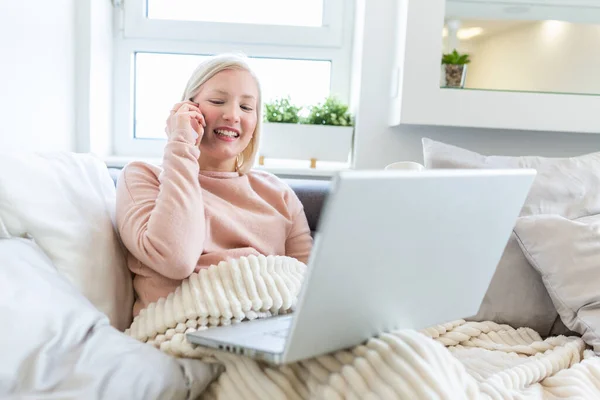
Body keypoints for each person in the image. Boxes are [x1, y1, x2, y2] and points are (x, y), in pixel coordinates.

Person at [115, 54, 313, 316]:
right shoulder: (143, 178)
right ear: (189, 108)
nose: (232, 115)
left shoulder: (279, 194)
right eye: (218, 101)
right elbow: (177, 261)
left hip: (268, 326)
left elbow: (309, 288)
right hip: (184, 329)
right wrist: (181, 143)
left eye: (246, 107)